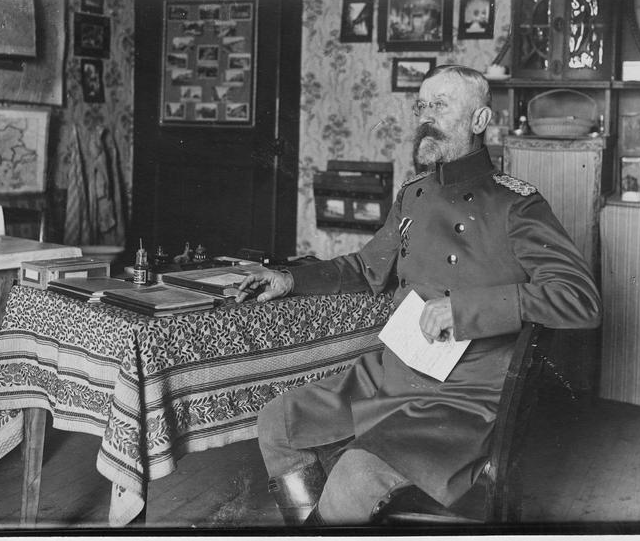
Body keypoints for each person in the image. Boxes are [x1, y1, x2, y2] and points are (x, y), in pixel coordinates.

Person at [235, 65, 601, 526]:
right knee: (278, 422)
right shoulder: (413, 194)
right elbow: (365, 267)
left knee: (354, 475)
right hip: (391, 375)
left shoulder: (517, 205)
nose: (426, 117)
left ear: (479, 121)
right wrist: (291, 279)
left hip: (462, 397)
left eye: (441, 106)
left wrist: (465, 310)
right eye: (422, 106)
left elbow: (580, 299)